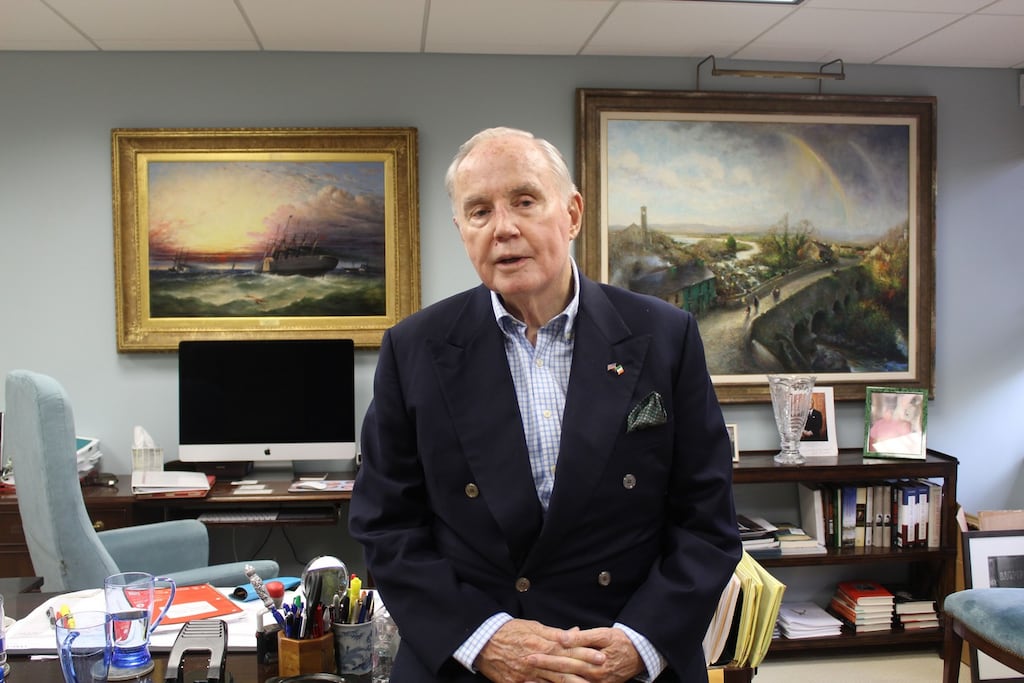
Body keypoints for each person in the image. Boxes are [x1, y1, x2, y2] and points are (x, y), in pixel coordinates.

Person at [349, 127, 741, 682]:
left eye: (525, 201)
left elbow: (707, 520)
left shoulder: (665, 335)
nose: (504, 228)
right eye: (479, 211)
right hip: (472, 656)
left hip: (622, 651)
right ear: (461, 231)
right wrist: (486, 640)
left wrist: (639, 642)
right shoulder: (413, 349)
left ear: (573, 213)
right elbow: (385, 527)